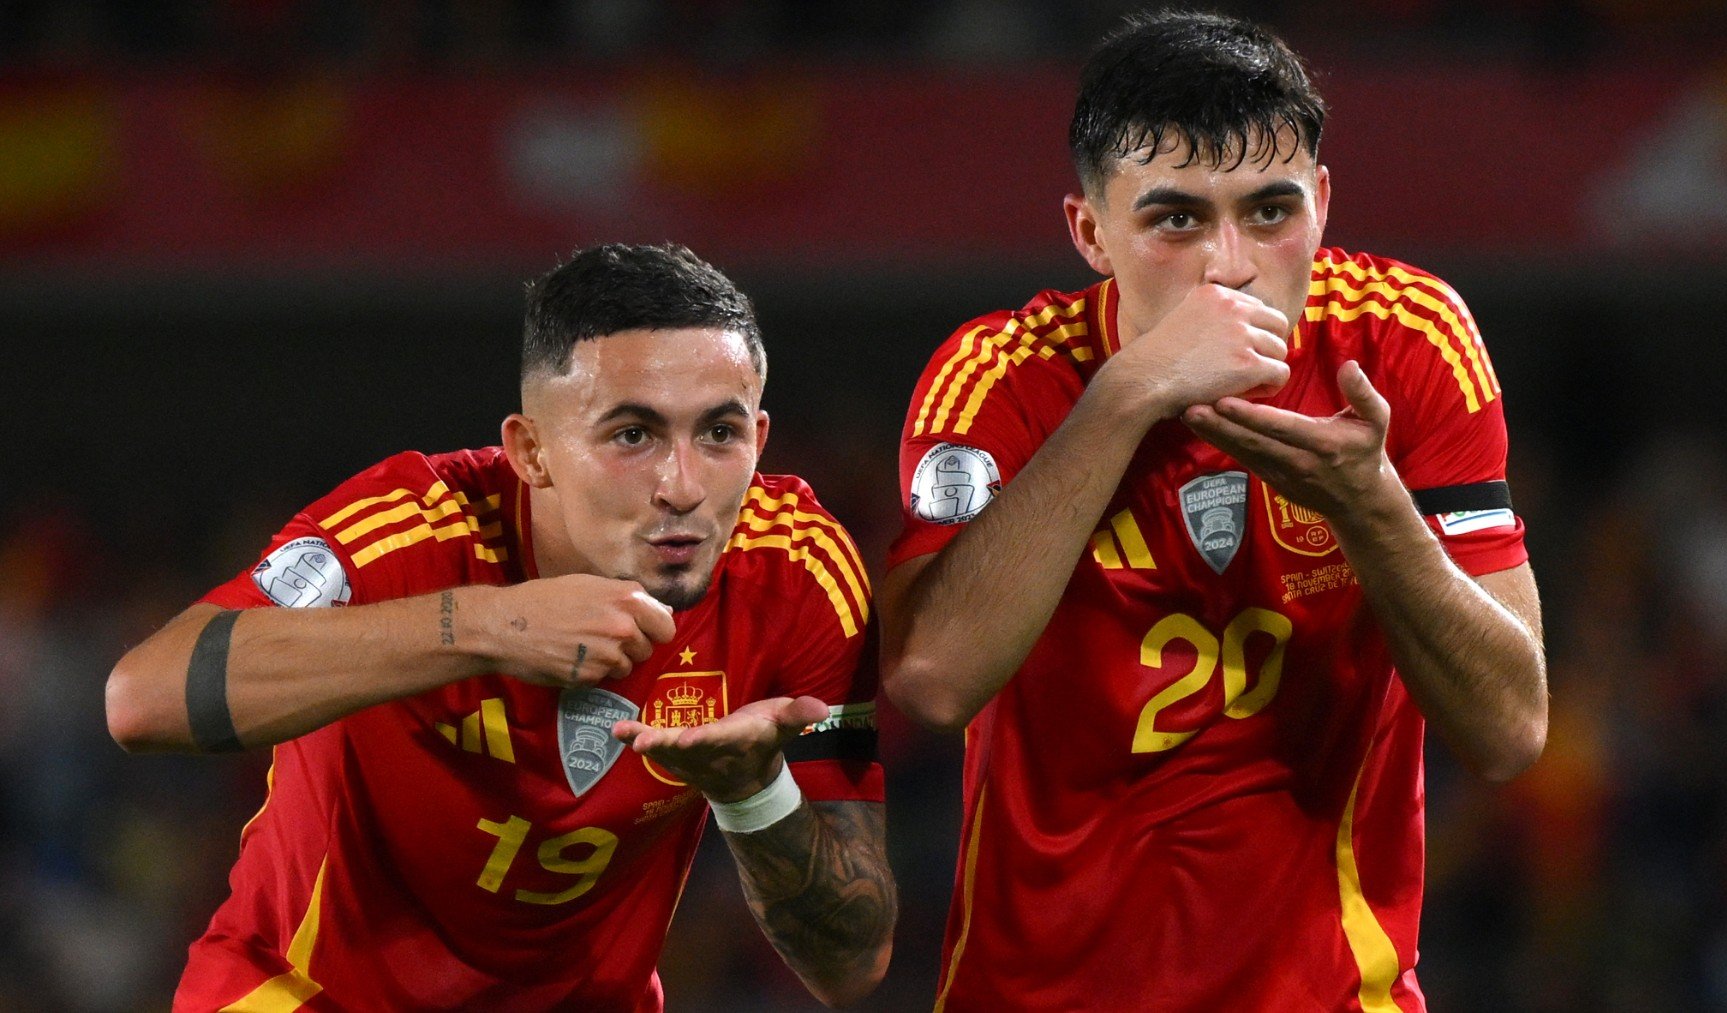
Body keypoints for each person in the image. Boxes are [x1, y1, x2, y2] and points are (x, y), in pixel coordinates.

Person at [879, 10, 1547, 1011]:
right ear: (1090, 232)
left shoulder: (1406, 344)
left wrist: (1370, 509)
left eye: (1270, 211)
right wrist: (1122, 397)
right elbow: (930, 681)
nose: (1230, 265)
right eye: (1176, 220)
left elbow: (1510, 729)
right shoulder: (1002, 379)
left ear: (1322, 203)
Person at [106, 243, 896, 1011]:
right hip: (308, 993)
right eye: (633, 435)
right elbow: (141, 697)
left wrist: (754, 789)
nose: (682, 485)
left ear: (759, 439)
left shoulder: (798, 573)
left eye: (719, 434)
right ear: (531, 451)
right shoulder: (411, 531)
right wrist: (488, 623)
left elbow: (852, 965)